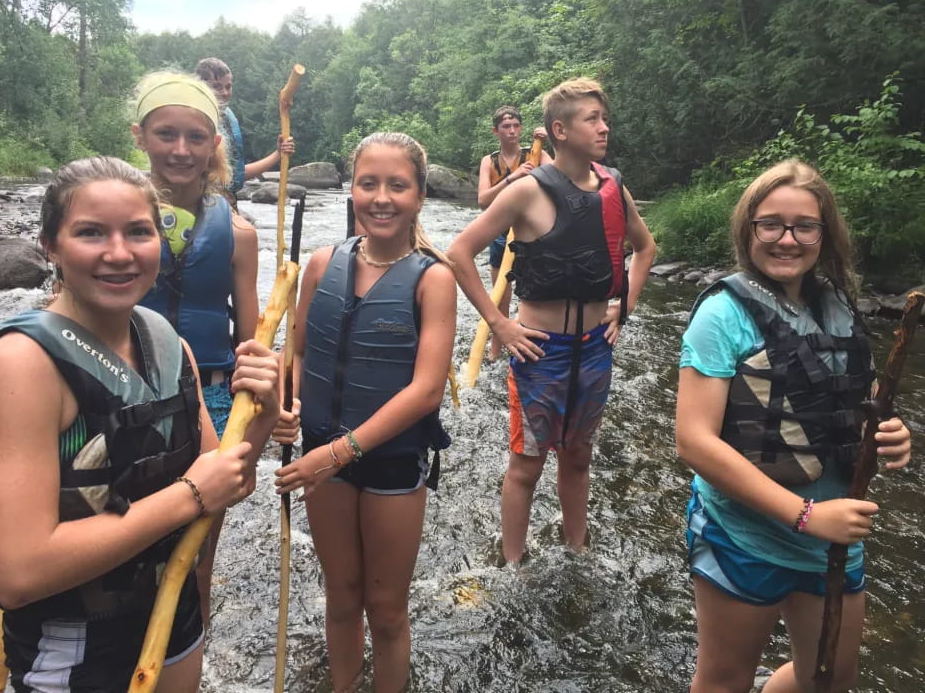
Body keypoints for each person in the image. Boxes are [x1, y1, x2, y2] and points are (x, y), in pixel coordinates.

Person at [0, 157, 280, 692]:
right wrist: (188, 496)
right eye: (91, 233)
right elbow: (18, 574)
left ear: (159, 242)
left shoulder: (168, 343)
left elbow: (226, 482)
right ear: (51, 246)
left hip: (173, 617)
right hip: (74, 647)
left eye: (137, 232)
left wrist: (262, 415)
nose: (119, 253)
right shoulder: (23, 364)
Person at [675, 159, 912, 692]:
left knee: (828, 680)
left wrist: (891, 432)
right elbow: (693, 441)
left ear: (825, 236)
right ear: (748, 230)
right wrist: (806, 516)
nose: (787, 239)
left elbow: (860, 397)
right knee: (724, 680)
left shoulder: (838, 307)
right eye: (771, 225)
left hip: (833, 538)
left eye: (805, 226)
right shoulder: (721, 315)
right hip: (744, 533)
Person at [272, 132, 455, 693]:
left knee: (387, 610)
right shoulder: (321, 263)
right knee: (342, 596)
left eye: (397, 185)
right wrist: (288, 404)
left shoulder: (434, 278)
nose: (381, 198)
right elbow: (298, 351)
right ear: (351, 190)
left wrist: (337, 453)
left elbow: (427, 391)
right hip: (320, 456)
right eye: (368, 183)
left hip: (389, 462)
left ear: (419, 196)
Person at [447, 78, 657, 564]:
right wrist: (500, 325)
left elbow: (645, 249)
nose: (604, 128)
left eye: (604, 119)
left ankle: (576, 551)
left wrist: (624, 307)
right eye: (592, 119)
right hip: (540, 352)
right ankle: (513, 566)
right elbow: (459, 252)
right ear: (559, 131)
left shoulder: (613, 186)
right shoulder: (526, 191)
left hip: (595, 347)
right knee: (527, 464)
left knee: (578, 458)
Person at [131, 69, 259, 621]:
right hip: (124, 397)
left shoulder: (240, 233)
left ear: (214, 144)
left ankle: (189, 650)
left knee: (195, 556)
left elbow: (251, 343)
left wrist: (269, 411)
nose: (181, 150)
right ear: (140, 137)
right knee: (126, 546)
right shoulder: (113, 221)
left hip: (212, 398)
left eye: (195, 137)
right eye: (166, 134)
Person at [476, 106, 553, 360]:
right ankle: (496, 351)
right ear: (496, 131)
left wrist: (552, 139)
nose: (512, 131)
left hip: (532, 234)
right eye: (506, 127)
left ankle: (534, 344)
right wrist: (514, 177)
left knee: (535, 295)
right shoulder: (489, 161)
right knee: (501, 297)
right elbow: (483, 200)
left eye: (516, 126)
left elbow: (562, 179)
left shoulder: (537, 154)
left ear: (521, 128)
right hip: (500, 234)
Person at [195, 57, 295, 195]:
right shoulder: (192, 120)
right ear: (200, 87)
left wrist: (278, 154)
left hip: (224, 200)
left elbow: (237, 175)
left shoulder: (227, 119)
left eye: (228, 86)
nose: (224, 93)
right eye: (217, 86)